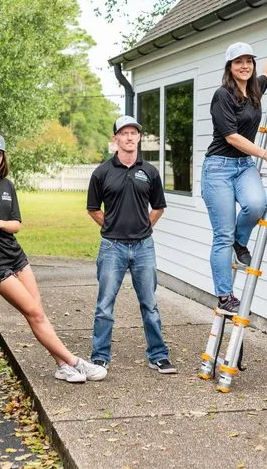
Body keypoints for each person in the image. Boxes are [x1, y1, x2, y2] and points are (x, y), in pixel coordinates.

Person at [0, 132, 107, 384]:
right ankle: (74, 362)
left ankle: (61, 365)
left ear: (2, 157)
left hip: (16, 255)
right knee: (33, 312)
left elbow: (16, 224)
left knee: (38, 311)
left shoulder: (7, 186)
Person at [201, 33, 267, 316]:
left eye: (248, 61)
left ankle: (242, 241)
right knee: (222, 235)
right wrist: (266, 154)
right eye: (238, 62)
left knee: (257, 205)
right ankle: (225, 295)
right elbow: (231, 137)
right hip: (218, 168)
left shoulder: (254, 90)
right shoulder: (222, 95)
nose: (245, 66)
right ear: (229, 67)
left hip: (243, 167)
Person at [86, 115, 175, 374]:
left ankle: (158, 355)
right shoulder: (102, 172)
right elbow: (93, 209)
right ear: (115, 139)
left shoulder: (149, 172)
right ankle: (100, 356)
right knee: (104, 305)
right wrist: (111, 225)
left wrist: (143, 227)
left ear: (138, 137)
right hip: (112, 247)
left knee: (150, 303)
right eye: (123, 133)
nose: (128, 137)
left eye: (133, 133)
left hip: (143, 247)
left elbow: (158, 207)